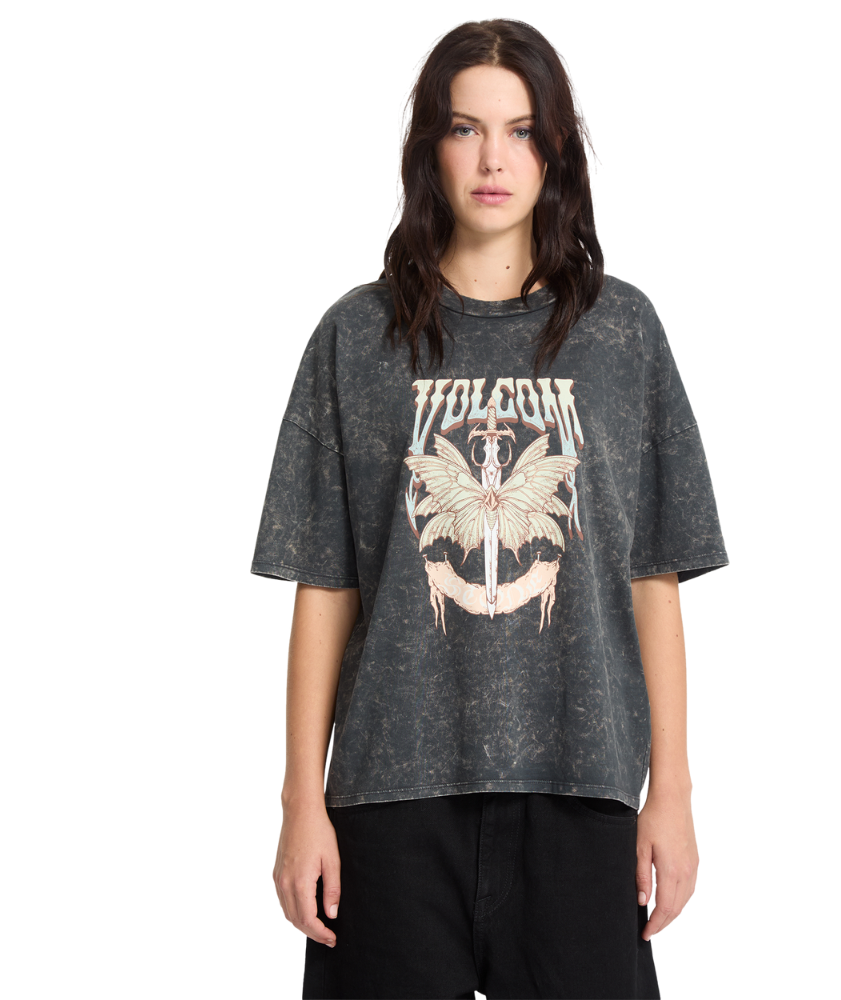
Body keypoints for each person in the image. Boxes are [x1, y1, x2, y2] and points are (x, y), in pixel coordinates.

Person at [252, 17, 729, 999]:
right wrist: (301, 801)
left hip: (586, 790)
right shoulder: (354, 337)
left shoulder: (624, 332)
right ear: (427, 147)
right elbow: (323, 589)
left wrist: (673, 793)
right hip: (388, 798)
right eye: (465, 129)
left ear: (557, 152)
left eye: (521, 131)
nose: (492, 160)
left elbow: (654, 581)